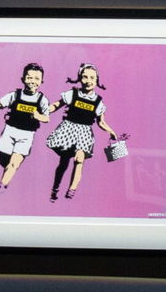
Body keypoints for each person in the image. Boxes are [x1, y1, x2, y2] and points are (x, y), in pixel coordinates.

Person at [0, 62, 51, 190]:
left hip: (26, 135)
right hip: (9, 132)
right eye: (29, 78)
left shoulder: (42, 100)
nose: (32, 81)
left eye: (36, 79)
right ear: (23, 79)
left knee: (13, 164)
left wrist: (39, 116)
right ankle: (4, 179)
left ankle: (2, 186)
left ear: (41, 81)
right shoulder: (14, 95)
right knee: (3, 162)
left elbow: (46, 118)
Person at [45, 63, 119, 202]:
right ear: (79, 78)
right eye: (85, 77)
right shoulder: (72, 93)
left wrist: (111, 132)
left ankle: (72, 189)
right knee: (64, 162)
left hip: (84, 133)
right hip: (68, 130)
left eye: (92, 78)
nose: (88, 81)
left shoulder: (98, 102)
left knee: (79, 159)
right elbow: (57, 105)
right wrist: (45, 110)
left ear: (97, 80)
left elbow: (101, 122)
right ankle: (55, 188)